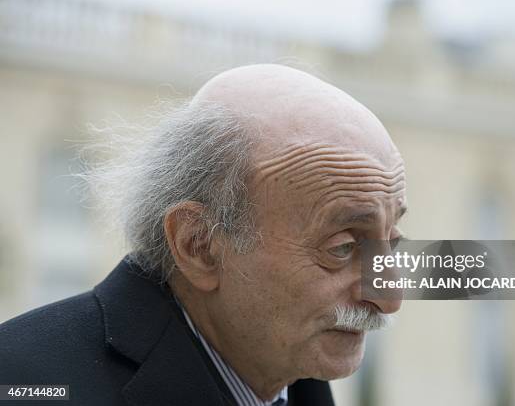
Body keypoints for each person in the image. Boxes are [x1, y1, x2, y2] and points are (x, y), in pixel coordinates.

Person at [0, 64, 406, 405]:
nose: (389, 299)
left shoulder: (300, 382)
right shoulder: (22, 382)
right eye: (343, 247)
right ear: (199, 246)